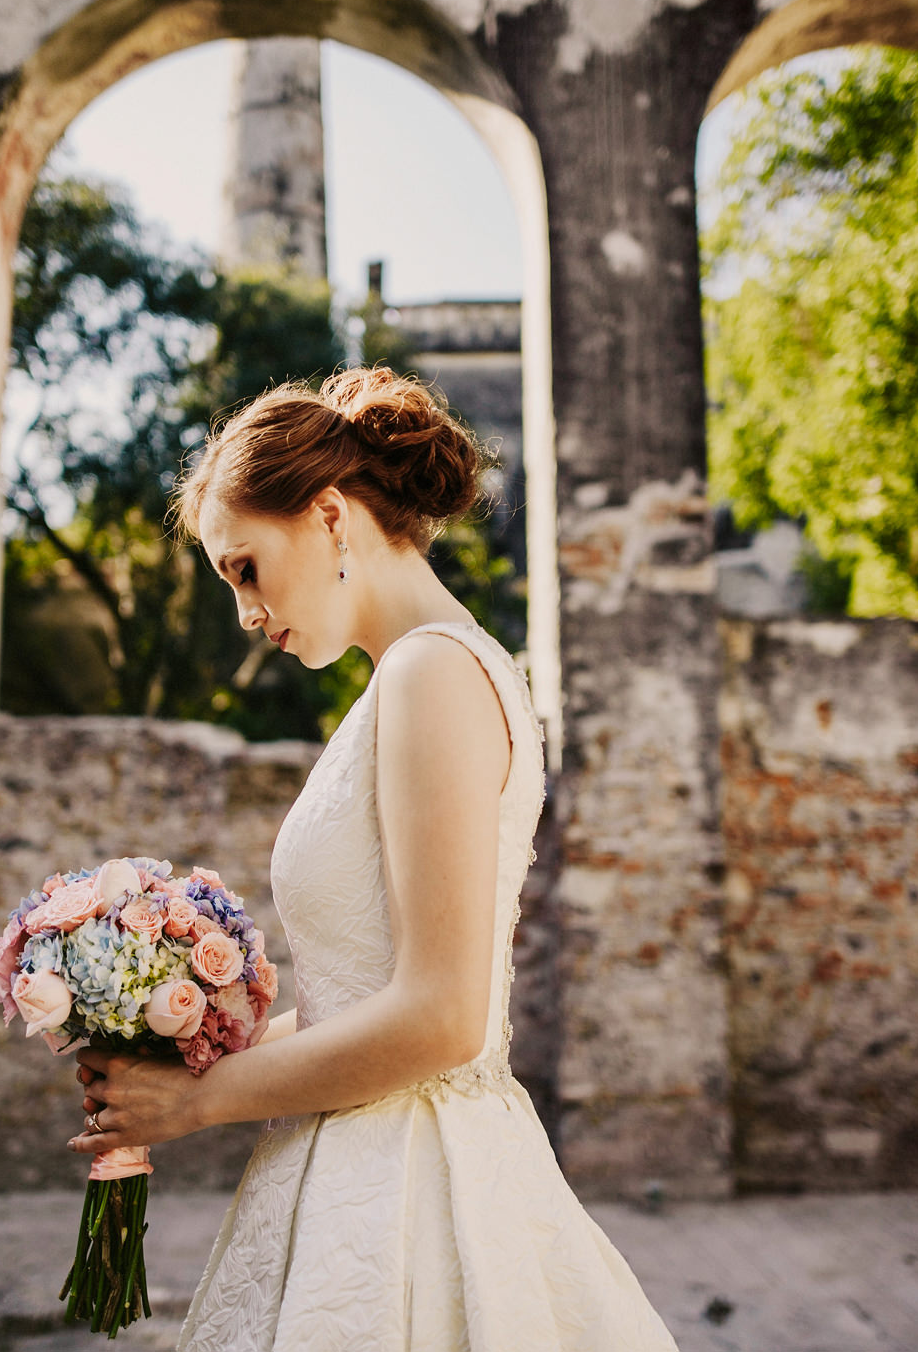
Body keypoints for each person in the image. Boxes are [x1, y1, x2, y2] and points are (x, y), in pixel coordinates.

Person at [66, 365, 679, 1350]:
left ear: (328, 516)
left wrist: (197, 1100)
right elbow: (367, 998)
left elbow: (439, 1015)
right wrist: (183, 1051)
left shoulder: (434, 670)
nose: (245, 614)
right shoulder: (411, 676)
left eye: (244, 567)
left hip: (409, 1184)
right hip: (360, 1158)